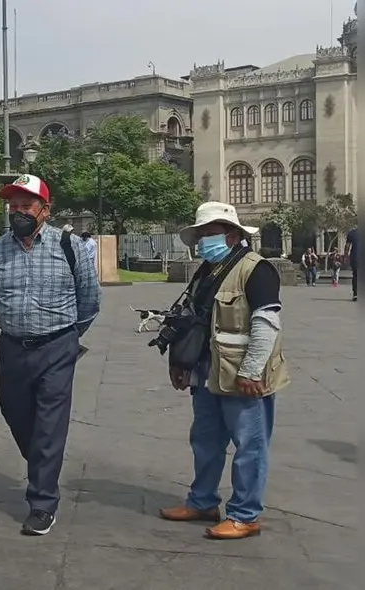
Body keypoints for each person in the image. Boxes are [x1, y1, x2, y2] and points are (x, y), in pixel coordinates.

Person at [160, 202, 288, 540]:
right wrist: (180, 363)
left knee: (249, 446)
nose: (203, 240)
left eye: (210, 233)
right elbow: (191, 321)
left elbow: (266, 323)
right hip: (205, 372)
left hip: (242, 375)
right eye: (200, 235)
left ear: (232, 235)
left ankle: (245, 515)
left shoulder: (255, 269)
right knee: (205, 441)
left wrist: (252, 370)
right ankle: (202, 502)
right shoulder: (206, 271)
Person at [0, 174, 100, 536]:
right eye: (13, 206)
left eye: (26, 206)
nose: (18, 212)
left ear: (45, 210)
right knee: (14, 411)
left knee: (49, 424)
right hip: (12, 346)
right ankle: (42, 465)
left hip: (57, 346)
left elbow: (89, 299)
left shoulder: (69, 246)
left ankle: (42, 503)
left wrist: (68, 337)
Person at [344, 228, 358, 301]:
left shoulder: (352, 233)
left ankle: (355, 294)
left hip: (355, 258)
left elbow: (347, 246)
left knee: (355, 275)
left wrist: (345, 256)